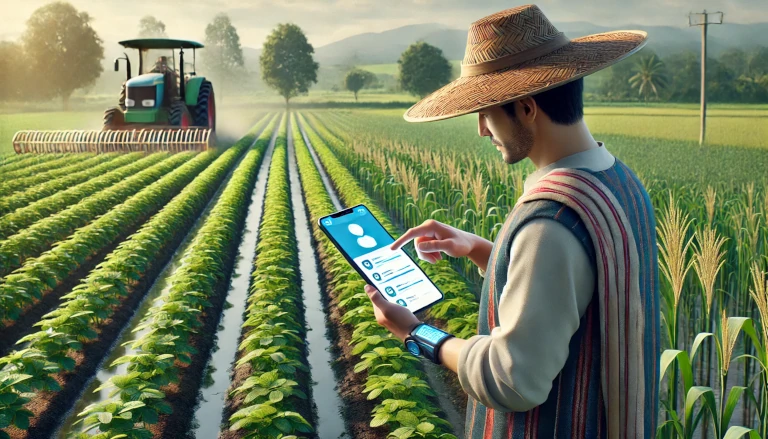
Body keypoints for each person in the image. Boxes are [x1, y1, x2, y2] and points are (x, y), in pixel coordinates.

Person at [364, 4, 660, 438]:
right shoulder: (618, 181)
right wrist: (485, 250)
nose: (483, 131)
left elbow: (512, 379)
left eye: (486, 113)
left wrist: (416, 333)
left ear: (525, 108)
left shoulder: (551, 222)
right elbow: (575, 289)